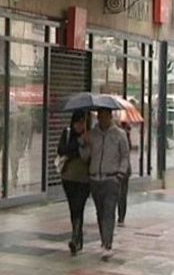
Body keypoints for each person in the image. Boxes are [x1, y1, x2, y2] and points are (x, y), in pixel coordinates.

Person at [88, 108, 129, 261]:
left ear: (110, 117)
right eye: (99, 117)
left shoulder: (119, 134)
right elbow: (86, 155)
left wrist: (120, 173)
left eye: (104, 117)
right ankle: (103, 239)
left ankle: (107, 244)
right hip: (95, 179)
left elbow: (125, 156)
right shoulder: (93, 134)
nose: (101, 120)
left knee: (109, 211)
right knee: (100, 212)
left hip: (111, 179)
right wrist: (83, 143)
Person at [58, 110, 90, 256]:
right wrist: (77, 143)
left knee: (79, 206)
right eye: (78, 122)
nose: (80, 125)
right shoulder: (68, 133)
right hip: (68, 177)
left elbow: (90, 155)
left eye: (83, 122)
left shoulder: (90, 134)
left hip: (84, 179)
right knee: (73, 208)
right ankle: (77, 237)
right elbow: (61, 150)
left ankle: (75, 238)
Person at [117, 121, 132, 227]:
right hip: (121, 170)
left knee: (121, 194)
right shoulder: (124, 135)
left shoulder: (123, 136)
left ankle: (121, 217)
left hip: (122, 170)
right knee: (121, 194)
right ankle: (121, 218)